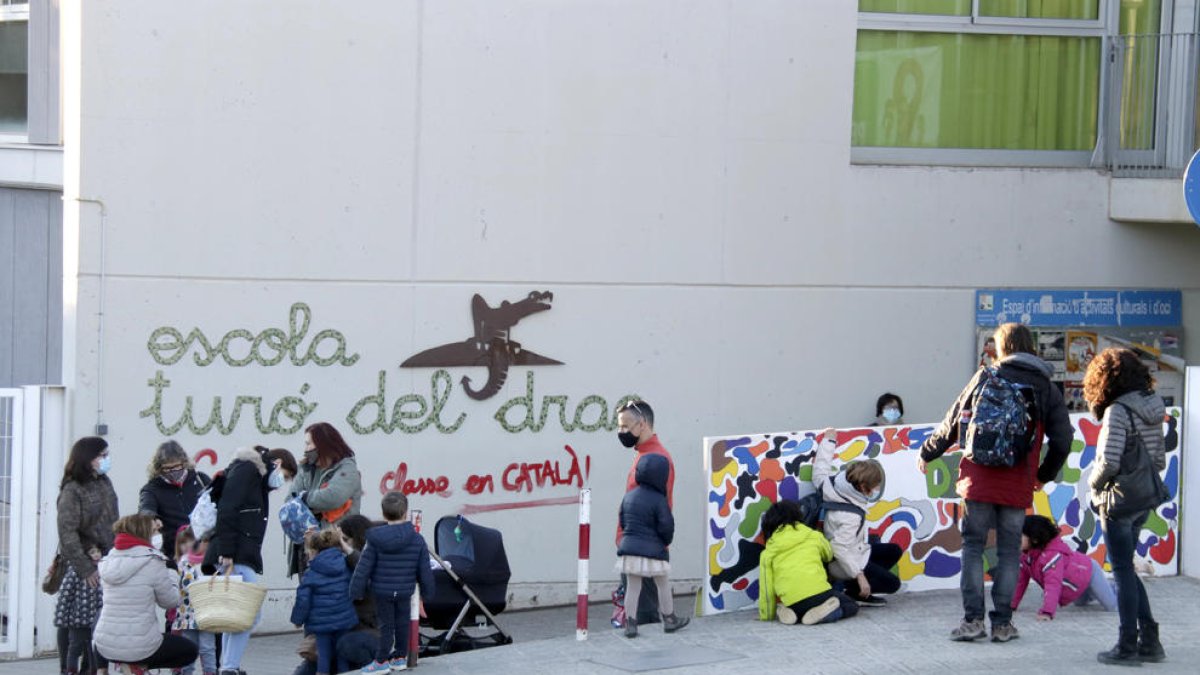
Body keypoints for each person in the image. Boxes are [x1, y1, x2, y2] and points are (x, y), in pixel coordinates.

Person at [919, 322, 1072, 643]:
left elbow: (952, 420)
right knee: (1008, 552)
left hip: (978, 479)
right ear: (1031, 347)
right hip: (1017, 481)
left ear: (1001, 347)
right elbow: (1063, 440)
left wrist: (928, 452)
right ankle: (1002, 625)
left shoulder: (985, 377)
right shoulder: (1045, 386)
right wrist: (1042, 476)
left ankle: (973, 621)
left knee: (973, 548)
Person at [1084, 348, 1167, 665]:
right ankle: (1150, 640)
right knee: (1127, 570)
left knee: (1122, 572)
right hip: (1144, 497)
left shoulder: (1117, 411)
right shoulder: (1153, 407)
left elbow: (1108, 461)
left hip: (1117, 500)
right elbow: (1158, 459)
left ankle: (1127, 646)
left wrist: (1094, 485)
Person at [201, 446, 276, 675]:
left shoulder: (251, 476)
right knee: (249, 613)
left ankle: (228, 666)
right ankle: (229, 667)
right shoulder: (247, 470)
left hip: (236, 552)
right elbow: (227, 508)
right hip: (234, 553)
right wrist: (226, 550)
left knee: (234, 613)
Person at [93, 514, 199, 674]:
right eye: (155, 530)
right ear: (144, 533)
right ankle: (137, 666)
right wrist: (171, 572)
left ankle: (114, 667)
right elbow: (170, 601)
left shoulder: (108, 560)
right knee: (189, 650)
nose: (159, 534)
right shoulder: (153, 561)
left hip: (105, 644)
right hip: (139, 646)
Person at [812, 428, 900, 605]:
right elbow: (838, 547)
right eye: (874, 487)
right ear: (862, 486)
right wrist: (859, 575)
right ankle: (854, 590)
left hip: (857, 551)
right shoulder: (849, 516)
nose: (876, 490)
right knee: (893, 584)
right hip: (842, 563)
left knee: (894, 550)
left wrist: (829, 441)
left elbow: (820, 469)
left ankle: (857, 586)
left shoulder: (831, 486)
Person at [55, 436, 119, 675]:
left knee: (98, 621)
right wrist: (85, 567)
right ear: (87, 458)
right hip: (83, 563)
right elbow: (67, 532)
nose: (106, 460)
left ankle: (92, 668)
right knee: (76, 623)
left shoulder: (104, 482)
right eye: (102, 455)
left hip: (106, 558)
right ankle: (69, 668)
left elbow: (113, 518)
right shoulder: (72, 490)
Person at [350, 492, 435, 673]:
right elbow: (424, 570)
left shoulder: (374, 540)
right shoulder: (417, 539)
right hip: (405, 590)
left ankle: (381, 662)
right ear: (405, 512)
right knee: (403, 623)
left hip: (382, 591)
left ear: (383, 513)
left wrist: (356, 591)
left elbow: (363, 568)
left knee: (386, 626)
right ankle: (399, 658)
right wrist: (428, 593)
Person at [614, 400, 674, 627]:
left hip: (646, 548)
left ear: (643, 424)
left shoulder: (658, 459)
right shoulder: (643, 454)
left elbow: (664, 507)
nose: (622, 432)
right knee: (637, 606)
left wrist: (660, 544)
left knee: (645, 615)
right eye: (619, 426)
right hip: (636, 544)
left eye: (626, 426)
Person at [616, 454, 688, 637]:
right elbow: (666, 526)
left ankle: (631, 624)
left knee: (633, 587)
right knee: (662, 584)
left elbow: (622, 520)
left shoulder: (629, 496)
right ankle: (669, 619)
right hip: (653, 551)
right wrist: (664, 542)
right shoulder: (659, 500)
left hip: (630, 550)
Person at [757, 500, 858, 626]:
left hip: (792, 601)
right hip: (820, 594)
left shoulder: (768, 552)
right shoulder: (812, 535)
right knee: (851, 605)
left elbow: (766, 588)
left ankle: (788, 611)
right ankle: (827, 614)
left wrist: (767, 615)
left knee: (797, 605)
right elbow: (828, 554)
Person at [290, 423, 364, 576]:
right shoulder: (306, 468)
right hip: (308, 547)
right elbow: (290, 501)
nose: (306, 448)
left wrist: (305, 498)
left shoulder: (347, 469)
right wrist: (312, 503)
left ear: (323, 444)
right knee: (308, 591)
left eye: (309, 443)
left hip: (336, 545)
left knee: (333, 593)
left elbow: (332, 497)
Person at [1012, 515, 1116, 621]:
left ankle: (1126, 587)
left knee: (1113, 606)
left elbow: (1053, 585)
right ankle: (1105, 588)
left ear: (1034, 539)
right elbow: (1021, 581)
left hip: (1090, 571)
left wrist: (1047, 612)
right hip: (1078, 583)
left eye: (1019, 535)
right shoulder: (1026, 557)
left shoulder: (1052, 557)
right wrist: (1011, 605)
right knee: (1080, 602)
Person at [291, 529, 359, 675]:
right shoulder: (346, 566)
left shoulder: (311, 572)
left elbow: (303, 600)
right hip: (344, 620)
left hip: (321, 624)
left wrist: (297, 620)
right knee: (342, 656)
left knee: (323, 656)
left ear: (315, 550)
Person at [138, 440, 211, 561]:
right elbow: (146, 509)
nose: (173, 472)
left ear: (184, 462)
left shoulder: (200, 480)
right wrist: (151, 518)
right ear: (159, 469)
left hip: (207, 552)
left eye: (177, 466)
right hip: (175, 554)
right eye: (167, 469)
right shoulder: (152, 489)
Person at [172, 527, 218, 675]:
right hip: (187, 613)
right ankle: (186, 672)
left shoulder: (210, 560)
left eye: (188, 541)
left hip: (206, 611)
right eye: (181, 543)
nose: (185, 546)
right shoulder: (181, 564)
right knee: (189, 647)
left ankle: (210, 672)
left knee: (207, 647)